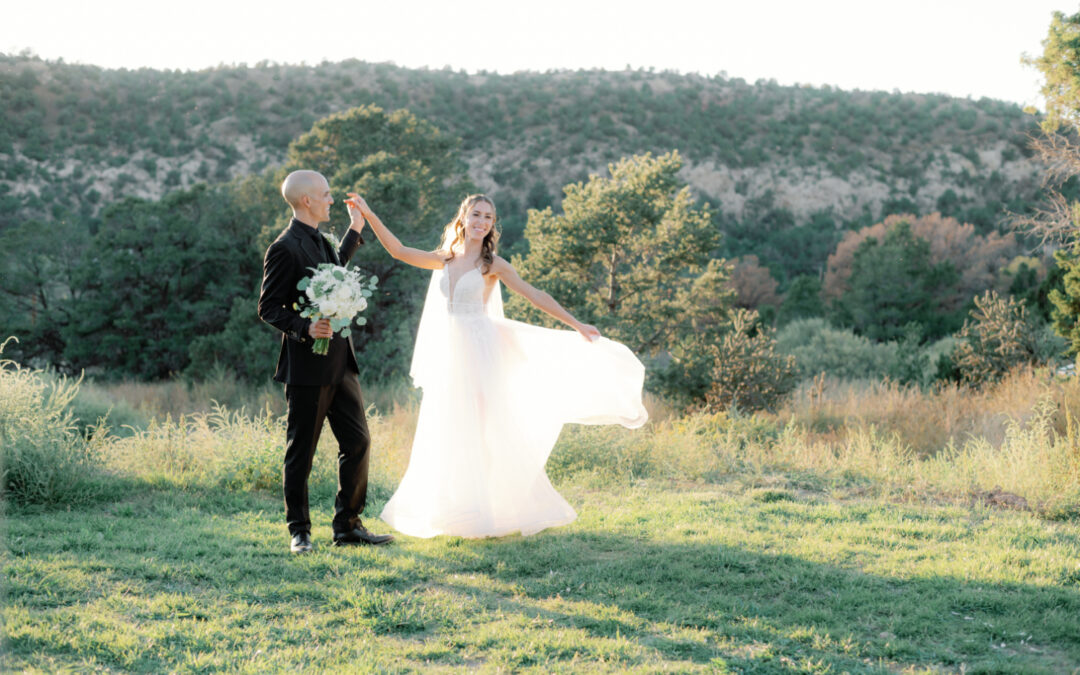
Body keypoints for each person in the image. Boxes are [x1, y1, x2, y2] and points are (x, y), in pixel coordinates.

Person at [345, 192, 648, 538]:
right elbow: (398, 250)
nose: (481, 222)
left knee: (485, 427)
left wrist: (577, 324)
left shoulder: (493, 264)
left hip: (481, 350)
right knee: (449, 425)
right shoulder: (444, 258)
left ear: (492, 225)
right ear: (463, 218)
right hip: (449, 354)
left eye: (488, 217)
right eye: (476, 215)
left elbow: (534, 294)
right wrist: (367, 213)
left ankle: (493, 508)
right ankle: (455, 507)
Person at [258, 170, 393, 553]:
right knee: (302, 451)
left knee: (358, 441)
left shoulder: (321, 239)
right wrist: (305, 327)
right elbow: (268, 307)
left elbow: (336, 270)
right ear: (307, 201)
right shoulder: (283, 247)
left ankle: (347, 526)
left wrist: (356, 228)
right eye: (327, 194)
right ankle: (299, 532)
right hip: (306, 368)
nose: (331, 200)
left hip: (341, 363)